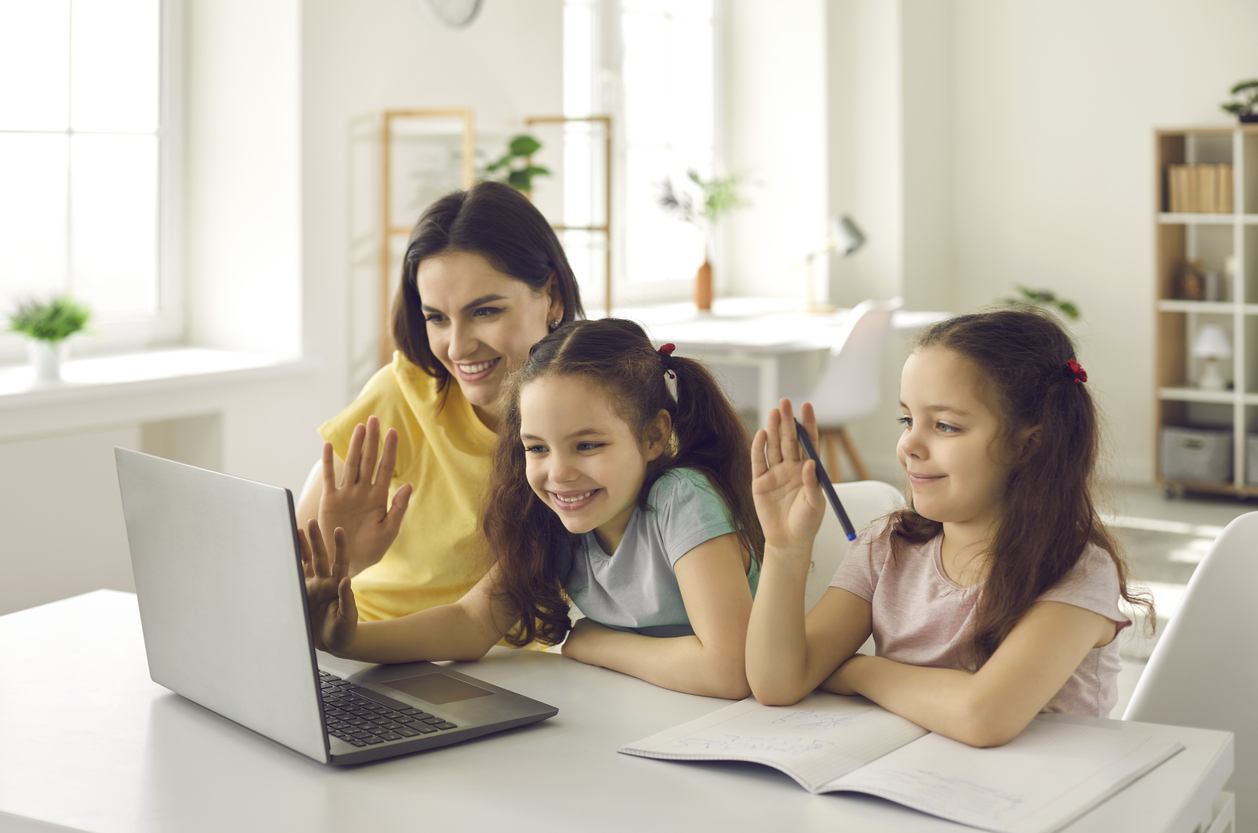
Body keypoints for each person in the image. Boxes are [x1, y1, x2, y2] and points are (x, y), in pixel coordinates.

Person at [745, 307, 1153, 747]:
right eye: (907, 420)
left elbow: (983, 716)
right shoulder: (887, 549)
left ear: (1028, 444)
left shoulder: (1076, 570)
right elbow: (777, 683)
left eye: (945, 425)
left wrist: (859, 670)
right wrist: (785, 547)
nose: (909, 445)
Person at [301, 318, 764, 698]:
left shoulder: (682, 499)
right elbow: (471, 622)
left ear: (654, 437)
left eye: (587, 444)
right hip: (644, 713)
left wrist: (596, 643)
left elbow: (728, 670)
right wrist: (348, 640)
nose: (558, 473)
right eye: (537, 448)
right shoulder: (559, 519)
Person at [294, 181, 584, 625]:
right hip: (359, 643)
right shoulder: (400, 392)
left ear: (553, 296)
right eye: (436, 318)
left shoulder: (598, 409)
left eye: (485, 311)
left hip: (506, 668)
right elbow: (290, 579)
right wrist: (347, 566)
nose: (458, 347)